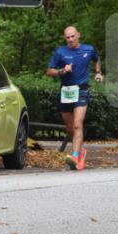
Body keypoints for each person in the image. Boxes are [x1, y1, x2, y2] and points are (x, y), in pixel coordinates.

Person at [46, 26, 103, 170]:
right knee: (70, 128)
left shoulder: (89, 49)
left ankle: (75, 156)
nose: (70, 39)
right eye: (67, 37)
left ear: (78, 35)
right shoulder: (60, 52)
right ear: (65, 38)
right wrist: (61, 71)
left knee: (78, 124)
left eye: (73, 36)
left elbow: (97, 59)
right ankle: (81, 152)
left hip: (82, 90)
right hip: (66, 91)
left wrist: (98, 72)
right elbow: (49, 71)